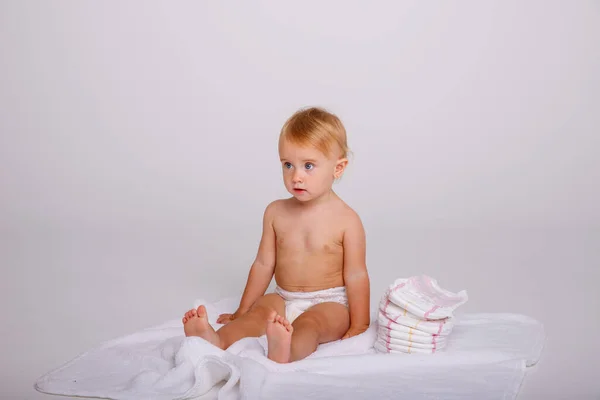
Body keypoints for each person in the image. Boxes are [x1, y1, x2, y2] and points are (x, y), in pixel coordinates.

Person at [182, 106, 370, 363]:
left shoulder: (348, 220)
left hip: (330, 301)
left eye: (309, 166)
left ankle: (287, 350)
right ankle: (217, 339)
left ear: (338, 168)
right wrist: (242, 310)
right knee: (259, 315)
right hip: (284, 295)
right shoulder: (275, 212)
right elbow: (263, 264)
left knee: (312, 324)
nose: (296, 176)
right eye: (288, 165)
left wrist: (359, 325)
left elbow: (357, 274)